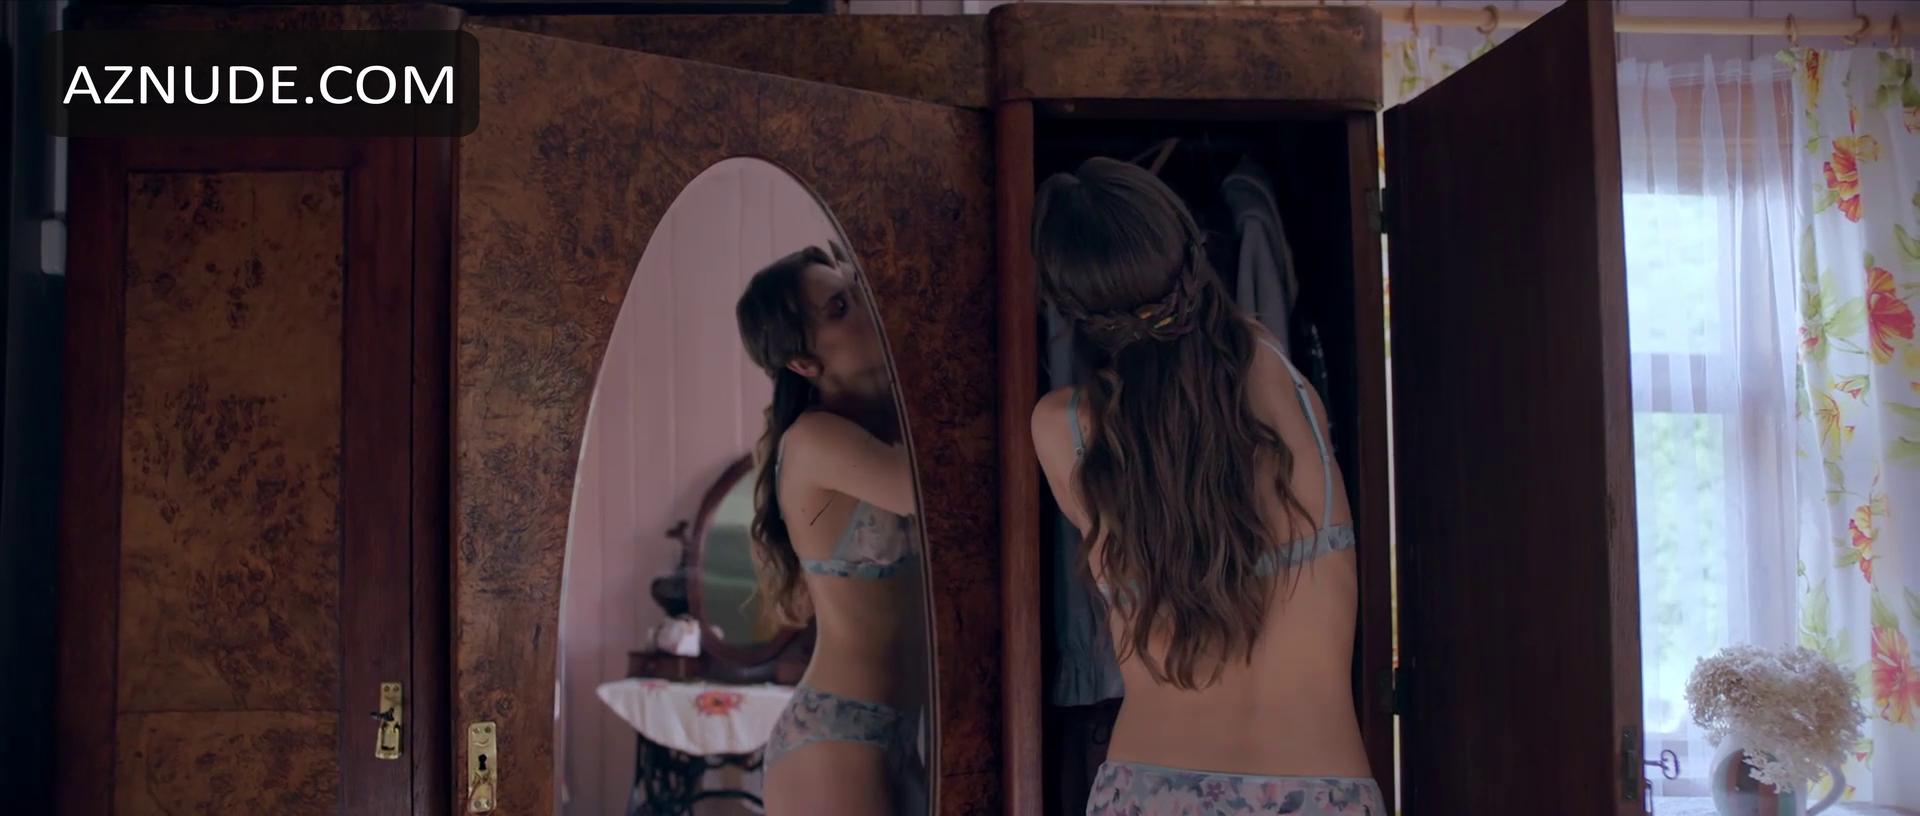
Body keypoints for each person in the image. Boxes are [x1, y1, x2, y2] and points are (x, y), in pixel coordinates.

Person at [1028, 157, 1384, 815]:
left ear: (1071, 310)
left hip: (1151, 791)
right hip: (1319, 790)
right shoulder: (1278, 374)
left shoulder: (1064, 430)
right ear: (1192, 248)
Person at [735, 243, 927, 815]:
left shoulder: (894, 422)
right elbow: (935, 492)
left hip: (903, 727)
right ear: (804, 363)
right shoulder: (815, 440)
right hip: (839, 731)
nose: (870, 309)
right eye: (841, 308)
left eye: (857, 293)